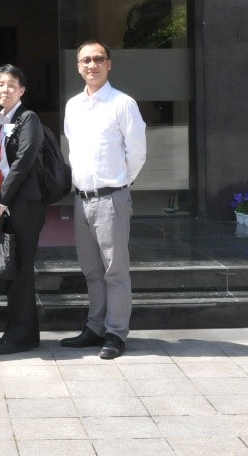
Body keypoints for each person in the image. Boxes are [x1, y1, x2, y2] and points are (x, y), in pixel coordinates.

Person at [60, 40, 146, 360]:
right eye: (85, 60)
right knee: (91, 270)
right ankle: (95, 327)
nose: (92, 65)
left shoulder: (122, 104)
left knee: (115, 271)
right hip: (82, 200)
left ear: (109, 64)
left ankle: (116, 333)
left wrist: (121, 183)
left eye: (98, 59)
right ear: (78, 67)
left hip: (111, 199)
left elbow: (137, 152)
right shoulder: (73, 106)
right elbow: (72, 147)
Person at [0, 64, 47, 355]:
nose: (5, 90)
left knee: (21, 271)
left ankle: (19, 336)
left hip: (25, 205)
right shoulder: (1, 122)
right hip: (9, 204)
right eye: (0, 84)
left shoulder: (28, 118)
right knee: (15, 268)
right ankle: (25, 333)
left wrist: (2, 200)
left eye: (12, 85)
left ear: (22, 90)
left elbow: (23, 162)